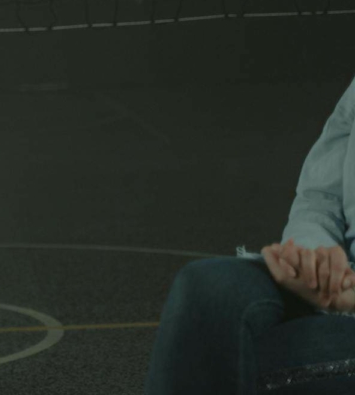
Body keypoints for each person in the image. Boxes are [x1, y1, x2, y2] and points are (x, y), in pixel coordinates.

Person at [145, 76, 355, 394]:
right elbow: (319, 200)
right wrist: (315, 261)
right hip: (336, 290)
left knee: (241, 360)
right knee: (208, 286)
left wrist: (347, 298)